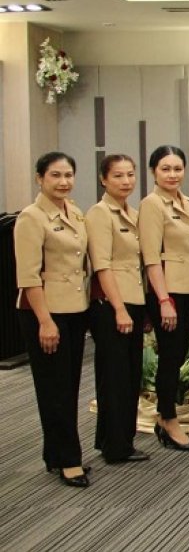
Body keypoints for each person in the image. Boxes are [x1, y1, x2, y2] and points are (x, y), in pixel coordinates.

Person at [15, 152, 91, 487]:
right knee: (54, 388)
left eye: (68, 175)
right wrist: (46, 321)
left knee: (69, 384)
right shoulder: (32, 217)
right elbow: (28, 277)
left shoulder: (72, 211)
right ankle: (68, 459)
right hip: (45, 313)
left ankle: (56, 452)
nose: (63, 182)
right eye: (55, 176)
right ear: (40, 179)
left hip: (75, 308)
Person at [85, 154, 150, 465]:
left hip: (134, 302)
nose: (126, 182)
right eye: (118, 176)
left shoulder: (134, 214)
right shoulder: (100, 214)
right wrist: (119, 309)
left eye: (129, 175)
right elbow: (102, 265)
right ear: (103, 179)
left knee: (128, 375)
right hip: (111, 305)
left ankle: (118, 439)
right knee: (114, 377)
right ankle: (114, 446)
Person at [140, 145, 189, 452]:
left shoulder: (187, 203)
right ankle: (167, 418)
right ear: (153, 171)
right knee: (169, 358)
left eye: (178, 168)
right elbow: (151, 258)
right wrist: (163, 300)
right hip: (168, 292)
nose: (172, 174)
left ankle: (166, 415)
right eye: (165, 169)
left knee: (176, 358)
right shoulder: (152, 205)